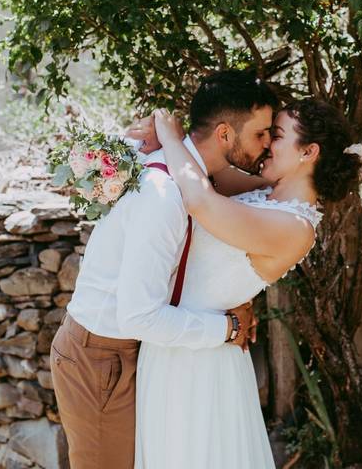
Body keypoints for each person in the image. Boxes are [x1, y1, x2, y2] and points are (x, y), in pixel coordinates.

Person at [50, 69, 279, 469]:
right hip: (102, 358)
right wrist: (226, 329)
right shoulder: (164, 195)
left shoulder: (195, 179)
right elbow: (138, 315)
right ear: (225, 134)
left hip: (143, 351)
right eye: (260, 134)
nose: (267, 144)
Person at [133, 98, 362, 469]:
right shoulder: (262, 193)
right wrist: (162, 137)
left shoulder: (296, 228)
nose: (267, 143)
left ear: (309, 151)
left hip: (202, 361)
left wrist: (171, 137)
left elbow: (200, 200)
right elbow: (207, 167)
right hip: (172, 342)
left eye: (278, 135)